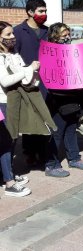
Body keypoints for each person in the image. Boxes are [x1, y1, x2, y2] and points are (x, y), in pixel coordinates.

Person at [44, 23, 83, 177]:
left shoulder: (73, 51)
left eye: (68, 34)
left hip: (74, 98)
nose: (67, 37)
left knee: (72, 129)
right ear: (54, 36)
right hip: (57, 99)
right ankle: (51, 165)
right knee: (57, 132)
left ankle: (74, 158)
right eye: (63, 34)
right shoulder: (48, 53)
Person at [13, 0, 49, 166]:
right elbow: (13, 58)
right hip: (27, 83)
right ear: (29, 12)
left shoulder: (47, 31)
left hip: (46, 82)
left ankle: (43, 153)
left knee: (44, 119)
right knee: (30, 119)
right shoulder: (18, 32)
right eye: (41, 11)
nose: (44, 14)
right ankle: (29, 153)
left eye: (45, 11)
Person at [0, 21, 32, 197]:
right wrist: (28, 71)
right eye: (8, 35)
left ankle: (8, 173)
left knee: (12, 140)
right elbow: (5, 81)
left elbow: (22, 76)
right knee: (5, 142)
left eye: (12, 34)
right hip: (3, 103)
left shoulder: (13, 54)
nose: (13, 37)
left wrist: (29, 73)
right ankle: (9, 183)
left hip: (14, 101)